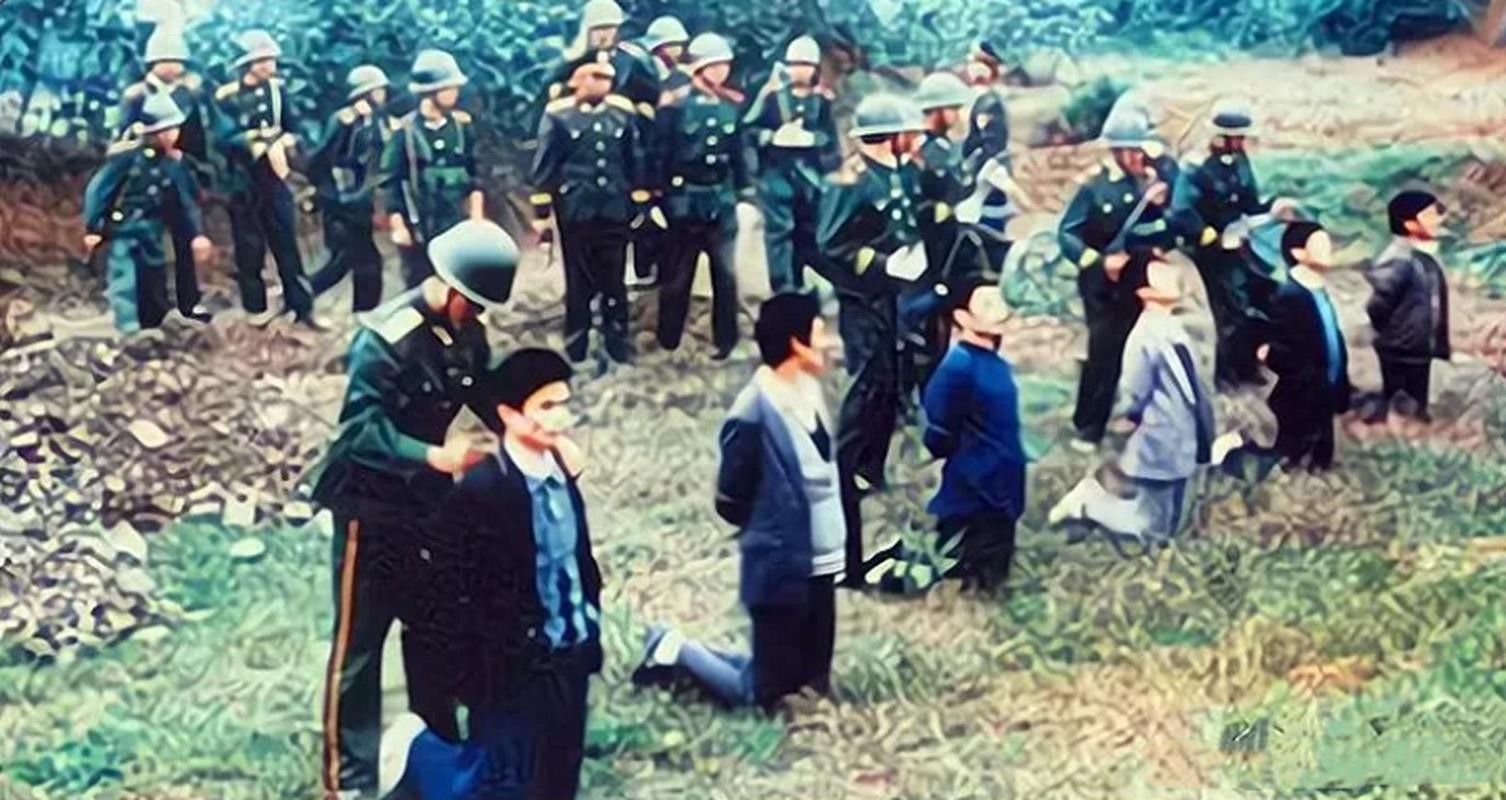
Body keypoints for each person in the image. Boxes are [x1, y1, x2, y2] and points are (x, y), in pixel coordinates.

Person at [304, 220, 518, 800]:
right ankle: (347, 780)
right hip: (367, 505)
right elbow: (358, 433)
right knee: (360, 644)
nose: (477, 315)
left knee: (434, 628)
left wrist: (526, 431)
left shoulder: (466, 332)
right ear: (448, 287)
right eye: (472, 303)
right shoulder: (384, 338)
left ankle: (435, 748)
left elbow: (485, 393)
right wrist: (433, 456)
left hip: (425, 504)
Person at [389, 348, 601, 800]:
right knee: (497, 780)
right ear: (508, 414)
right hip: (511, 666)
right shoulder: (483, 491)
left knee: (560, 771)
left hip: (569, 652)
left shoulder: (562, 472)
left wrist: (589, 627)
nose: (560, 418)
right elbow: (449, 587)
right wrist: (470, 672)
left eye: (564, 404)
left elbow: (576, 560)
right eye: (546, 406)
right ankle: (419, 754)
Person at [632, 292, 842, 709]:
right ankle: (674, 648)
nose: (830, 343)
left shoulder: (810, 392)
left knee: (811, 676)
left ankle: (775, 677)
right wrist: (772, 527)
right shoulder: (753, 411)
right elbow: (731, 494)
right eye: (820, 334)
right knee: (762, 694)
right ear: (797, 344)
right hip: (780, 560)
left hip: (822, 558)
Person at [813, 93, 929, 585]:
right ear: (890, 136)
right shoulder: (851, 181)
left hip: (894, 297)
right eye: (908, 132)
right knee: (866, 388)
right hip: (863, 301)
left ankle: (870, 468)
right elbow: (830, 243)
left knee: (890, 381)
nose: (915, 138)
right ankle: (843, 470)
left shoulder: (897, 171)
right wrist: (884, 264)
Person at [862, 274, 1026, 594]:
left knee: (989, 570)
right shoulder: (957, 368)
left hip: (1001, 483)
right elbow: (938, 435)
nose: (1000, 309)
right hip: (976, 487)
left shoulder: (995, 365)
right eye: (987, 304)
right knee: (957, 564)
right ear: (961, 317)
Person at [1049, 259, 1215, 546]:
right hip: (1160, 435)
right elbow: (1133, 391)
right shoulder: (1142, 336)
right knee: (1153, 527)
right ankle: (1088, 504)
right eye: (1160, 275)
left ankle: (1117, 512)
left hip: (1184, 433)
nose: (1173, 277)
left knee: (1175, 521)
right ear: (1145, 292)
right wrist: (1127, 421)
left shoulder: (1175, 328)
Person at [1058, 97, 1177, 453]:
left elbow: (1160, 230)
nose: (1141, 157)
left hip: (1138, 277)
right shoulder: (1094, 188)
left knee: (1142, 348)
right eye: (1135, 151)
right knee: (1104, 352)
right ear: (1119, 151)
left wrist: (1159, 206)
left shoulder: (1148, 183)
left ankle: (1136, 414)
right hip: (1102, 284)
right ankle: (1088, 426)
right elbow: (1067, 233)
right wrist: (1097, 261)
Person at [530, 59, 649, 365]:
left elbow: (634, 158)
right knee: (578, 281)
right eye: (594, 76)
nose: (602, 82)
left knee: (615, 280)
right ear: (575, 81)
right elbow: (545, 167)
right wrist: (541, 214)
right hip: (576, 211)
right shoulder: (558, 116)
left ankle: (617, 343)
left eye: (607, 77)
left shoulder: (622, 113)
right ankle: (577, 345)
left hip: (614, 208)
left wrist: (639, 200)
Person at [1171, 102, 1298, 389]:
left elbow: (1249, 202)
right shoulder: (1196, 166)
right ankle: (1227, 376)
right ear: (1220, 137)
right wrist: (1210, 236)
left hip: (1239, 238)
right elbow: (1181, 211)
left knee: (1262, 294)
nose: (1241, 143)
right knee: (1231, 308)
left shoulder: (1240, 161)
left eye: (1242, 138)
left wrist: (1273, 207)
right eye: (1235, 137)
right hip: (1209, 247)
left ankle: (1248, 365)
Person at [211, 30, 322, 329]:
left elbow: (293, 127)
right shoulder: (227, 97)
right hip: (243, 183)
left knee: (288, 245)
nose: (270, 65)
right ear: (248, 64)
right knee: (249, 249)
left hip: (275, 179)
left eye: (271, 59)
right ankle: (255, 311)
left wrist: (287, 142)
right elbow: (221, 138)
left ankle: (301, 307)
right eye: (263, 60)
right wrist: (254, 144)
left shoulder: (277, 91)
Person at [83, 94, 213, 334]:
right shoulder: (127, 158)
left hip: (152, 232)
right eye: (167, 130)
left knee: (153, 280)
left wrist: (197, 233)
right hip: (124, 230)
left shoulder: (173, 164)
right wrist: (93, 227)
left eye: (174, 129)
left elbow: (186, 202)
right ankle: (129, 329)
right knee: (124, 281)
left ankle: (153, 327)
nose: (173, 135)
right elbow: (99, 191)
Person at [656, 33, 750, 359]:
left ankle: (726, 342)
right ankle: (668, 341)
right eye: (714, 65)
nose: (722, 71)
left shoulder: (731, 106)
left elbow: (739, 155)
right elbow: (660, 154)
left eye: (725, 64)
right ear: (698, 68)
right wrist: (660, 199)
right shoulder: (675, 107)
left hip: (720, 201)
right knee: (677, 276)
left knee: (725, 276)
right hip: (684, 201)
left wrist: (743, 192)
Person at [116, 21, 212, 324]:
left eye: (177, 60)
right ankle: (151, 309)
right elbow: (122, 138)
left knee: (187, 238)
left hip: (178, 175)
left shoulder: (187, 95)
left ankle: (189, 303)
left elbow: (197, 138)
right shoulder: (136, 95)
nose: (174, 66)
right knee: (148, 247)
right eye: (167, 60)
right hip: (145, 178)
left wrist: (196, 169)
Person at [900, 71, 977, 403]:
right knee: (922, 328)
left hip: (948, 251)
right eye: (952, 108)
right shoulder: (921, 152)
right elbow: (912, 202)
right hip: (927, 253)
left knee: (941, 325)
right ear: (936, 110)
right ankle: (914, 395)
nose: (957, 115)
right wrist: (940, 209)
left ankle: (934, 391)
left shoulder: (945, 149)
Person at [743, 35, 841, 293]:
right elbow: (749, 131)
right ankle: (782, 287)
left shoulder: (822, 102)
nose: (799, 70)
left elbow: (831, 143)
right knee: (779, 232)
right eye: (794, 64)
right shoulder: (772, 98)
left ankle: (801, 284)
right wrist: (771, 136)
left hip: (809, 179)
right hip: (776, 176)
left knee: (807, 233)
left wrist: (813, 139)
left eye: (805, 64)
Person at [1252, 221, 1351, 471]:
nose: (1329, 250)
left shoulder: (1319, 291)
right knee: (1295, 457)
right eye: (1320, 245)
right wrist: (1275, 357)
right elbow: (1284, 348)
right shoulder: (1289, 296)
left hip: (1325, 388)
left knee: (1321, 459)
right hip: (1301, 394)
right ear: (1298, 253)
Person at [382, 49, 485, 290]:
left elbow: (476, 174)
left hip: (456, 221)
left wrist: (477, 216)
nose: (455, 92)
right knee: (422, 287)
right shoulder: (405, 132)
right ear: (430, 91)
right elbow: (391, 183)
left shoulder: (461, 127)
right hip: (421, 224)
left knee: (460, 284)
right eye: (449, 87)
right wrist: (398, 226)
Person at [305, 66, 393, 314]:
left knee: (356, 262)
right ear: (365, 93)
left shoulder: (376, 120)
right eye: (378, 90)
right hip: (341, 204)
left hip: (360, 203)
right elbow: (319, 158)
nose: (383, 94)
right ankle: (298, 297)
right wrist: (327, 195)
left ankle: (362, 312)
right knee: (349, 262)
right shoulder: (343, 121)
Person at [1364, 190, 1454, 423]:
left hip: (1417, 346)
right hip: (1402, 348)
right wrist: (1397, 334)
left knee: (1415, 400)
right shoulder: (1400, 259)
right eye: (1430, 215)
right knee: (1402, 402)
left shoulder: (1423, 255)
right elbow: (1377, 306)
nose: (1437, 220)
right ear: (1410, 224)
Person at [630, 14, 692, 286]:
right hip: (643, 153)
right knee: (644, 216)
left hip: (670, 155)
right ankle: (643, 270)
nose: (678, 50)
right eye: (673, 44)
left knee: (671, 219)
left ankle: (666, 272)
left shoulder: (681, 77)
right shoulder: (641, 73)